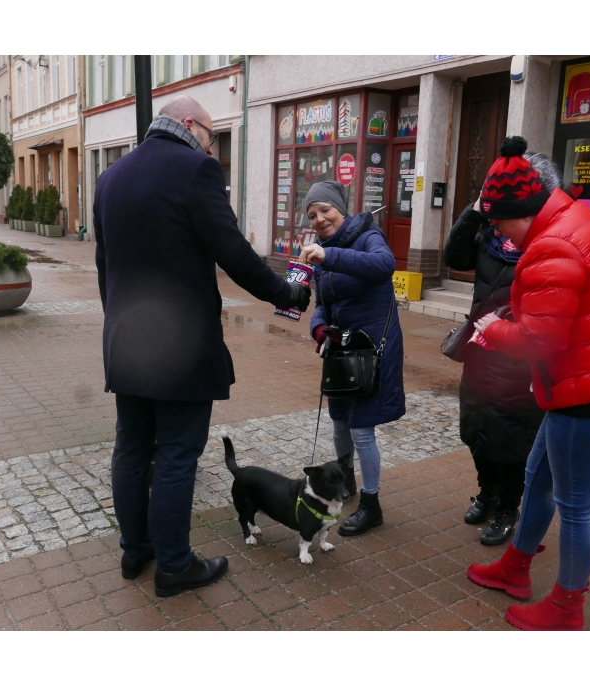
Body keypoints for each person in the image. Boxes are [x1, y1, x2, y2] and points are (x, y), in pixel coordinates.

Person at [94, 95, 310, 598]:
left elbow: (106, 265)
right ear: (191, 125)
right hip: (180, 347)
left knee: (131, 448)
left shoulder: (112, 177)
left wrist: (118, 322)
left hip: (126, 340)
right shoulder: (196, 170)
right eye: (212, 137)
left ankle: (136, 550)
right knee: (174, 456)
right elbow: (233, 251)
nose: (211, 148)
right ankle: (173, 566)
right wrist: (290, 293)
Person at [465, 137, 590, 630]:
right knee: (538, 480)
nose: (499, 233)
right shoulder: (568, 219)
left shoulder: (552, 243)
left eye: (500, 222)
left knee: (575, 507)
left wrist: (493, 329)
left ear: (523, 210)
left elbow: (539, 340)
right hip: (583, 379)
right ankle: (515, 568)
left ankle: (568, 607)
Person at [442, 155, 557, 546]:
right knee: (475, 430)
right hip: (480, 349)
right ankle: (487, 494)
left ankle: (509, 507)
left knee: (511, 441)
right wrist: (473, 213)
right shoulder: (491, 235)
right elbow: (454, 258)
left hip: (520, 359)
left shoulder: (543, 242)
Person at [300, 180, 405, 536]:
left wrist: (330, 256)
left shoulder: (367, 236)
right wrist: (319, 330)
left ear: (341, 209)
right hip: (342, 352)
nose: (320, 219)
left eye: (325, 210)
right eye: (312, 215)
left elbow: (383, 265)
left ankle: (371, 506)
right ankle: (347, 486)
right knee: (340, 423)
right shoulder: (319, 252)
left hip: (373, 350)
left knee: (361, 430)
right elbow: (321, 306)